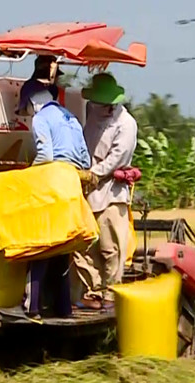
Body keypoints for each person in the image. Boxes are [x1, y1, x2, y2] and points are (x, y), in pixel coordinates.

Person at [11, 81, 91, 320]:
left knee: (42, 247)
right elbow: (85, 158)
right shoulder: (71, 117)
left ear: (33, 103)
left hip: (54, 185)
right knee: (63, 248)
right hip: (74, 185)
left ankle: (32, 308)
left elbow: (45, 155)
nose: (28, 115)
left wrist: (28, 174)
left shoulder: (41, 118)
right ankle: (64, 310)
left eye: (27, 109)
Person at [73, 73, 139, 310]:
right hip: (88, 190)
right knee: (85, 246)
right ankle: (93, 290)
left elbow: (117, 157)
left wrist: (95, 173)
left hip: (111, 191)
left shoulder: (126, 124)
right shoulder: (91, 115)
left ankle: (111, 293)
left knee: (111, 248)